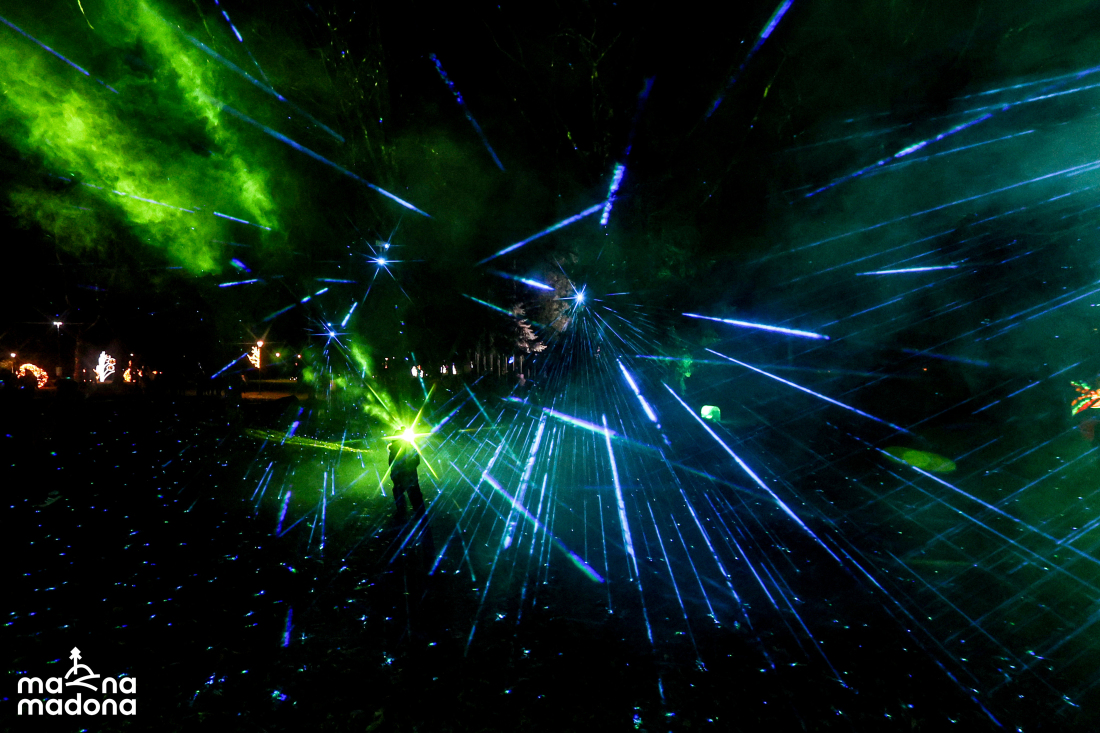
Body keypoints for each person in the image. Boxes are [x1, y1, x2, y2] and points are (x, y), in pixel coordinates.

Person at [388, 431, 425, 517]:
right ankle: (418, 512)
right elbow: (416, 461)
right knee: (413, 493)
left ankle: (403, 512)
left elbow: (391, 463)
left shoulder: (393, 449)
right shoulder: (409, 448)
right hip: (409, 476)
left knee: (401, 493)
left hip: (401, 476)